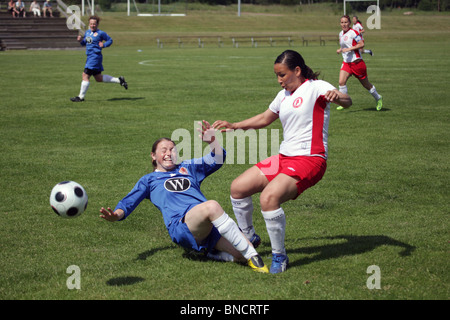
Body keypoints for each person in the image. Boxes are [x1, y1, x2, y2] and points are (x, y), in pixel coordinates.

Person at [212, 50, 352, 273]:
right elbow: (265, 118)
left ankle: (279, 256)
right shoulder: (284, 95)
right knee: (238, 188)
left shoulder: (316, 87)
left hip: (310, 159)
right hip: (285, 157)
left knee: (269, 197)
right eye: (277, 75)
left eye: (282, 75)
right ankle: (249, 237)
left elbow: (347, 101)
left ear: (297, 71)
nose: (279, 80)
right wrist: (235, 125)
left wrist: (339, 97)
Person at [100, 121, 269, 273]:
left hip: (208, 225)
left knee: (239, 255)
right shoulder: (148, 180)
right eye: (163, 150)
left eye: (172, 149)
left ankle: (209, 253)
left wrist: (213, 142)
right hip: (182, 226)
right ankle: (254, 257)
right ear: (153, 156)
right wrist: (116, 215)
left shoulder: (188, 167)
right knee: (213, 207)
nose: (169, 153)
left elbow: (217, 159)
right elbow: (128, 202)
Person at [71, 15, 127, 102]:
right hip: (90, 57)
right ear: (89, 24)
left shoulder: (101, 33)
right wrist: (80, 41)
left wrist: (104, 45)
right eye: (91, 24)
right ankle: (119, 80)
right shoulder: (87, 32)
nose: (92, 25)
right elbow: (85, 43)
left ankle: (80, 97)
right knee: (98, 78)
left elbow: (110, 40)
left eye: (94, 24)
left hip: (95, 57)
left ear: (97, 24)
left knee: (85, 75)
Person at [337, 15, 382, 111]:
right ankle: (344, 102)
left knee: (366, 85)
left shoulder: (353, 32)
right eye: (342, 22)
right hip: (347, 63)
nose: (344, 24)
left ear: (349, 23)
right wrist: (340, 49)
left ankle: (378, 98)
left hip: (357, 63)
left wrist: (349, 49)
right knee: (341, 82)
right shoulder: (341, 33)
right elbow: (346, 45)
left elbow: (361, 44)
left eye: (345, 22)